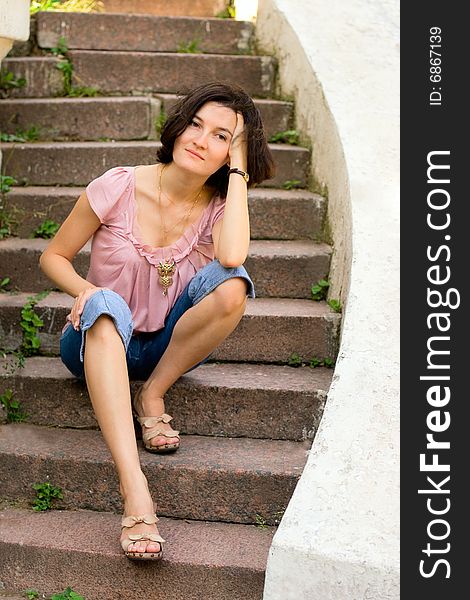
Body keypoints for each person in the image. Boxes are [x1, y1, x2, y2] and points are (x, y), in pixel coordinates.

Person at [39, 81, 275, 561]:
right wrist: (86, 290)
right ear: (177, 126)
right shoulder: (118, 186)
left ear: (234, 155)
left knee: (233, 284)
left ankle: (152, 391)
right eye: (195, 124)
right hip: (96, 339)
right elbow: (54, 256)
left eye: (220, 136)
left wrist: (239, 174)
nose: (199, 140)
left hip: (163, 345)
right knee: (107, 307)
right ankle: (135, 488)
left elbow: (231, 256)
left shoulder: (219, 207)